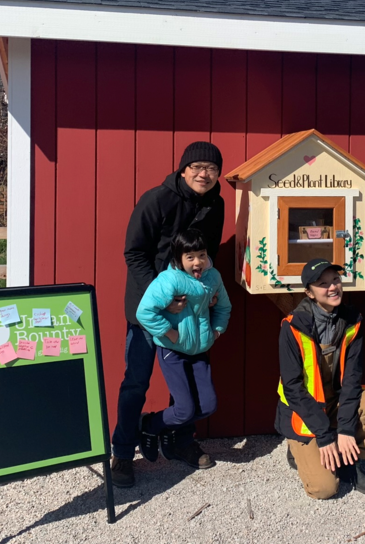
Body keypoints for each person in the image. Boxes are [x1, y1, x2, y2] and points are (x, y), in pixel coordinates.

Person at [111, 142, 225, 487]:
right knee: (137, 380)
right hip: (150, 309)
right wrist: (160, 297)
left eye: (211, 168)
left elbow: (209, 255)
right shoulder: (156, 199)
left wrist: (207, 293)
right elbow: (134, 253)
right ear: (183, 169)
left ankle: (179, 441)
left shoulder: (216, 204)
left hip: (189, 311)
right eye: (197, 167)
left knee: (188, 381)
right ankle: (122, 452)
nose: (204, 174)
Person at [276, 259, 365, 500]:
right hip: (304, 412)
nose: (332, 287)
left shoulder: (352, 321)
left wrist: (347, 430)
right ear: (309, 293)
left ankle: (351, 460)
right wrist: (325, 435)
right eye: (323, 284)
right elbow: (293, 388)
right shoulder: (292, 327)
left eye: (336, 280)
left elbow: (352, 381)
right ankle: (297, 448)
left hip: (336, 404)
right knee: (324, 489)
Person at [136, 229, 232, 463]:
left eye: (201, 255)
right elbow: (144, 312)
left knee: (208, 405)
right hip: (173, 352)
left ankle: (167, 429)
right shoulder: (170, 280)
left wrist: (217, 330)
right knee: (185, 409)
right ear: (179, 259)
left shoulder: (213, 277)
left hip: (199, 351)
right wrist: (169, 332)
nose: (197, 261)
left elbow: (223, 307)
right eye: (190, 257)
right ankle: (150, 424)